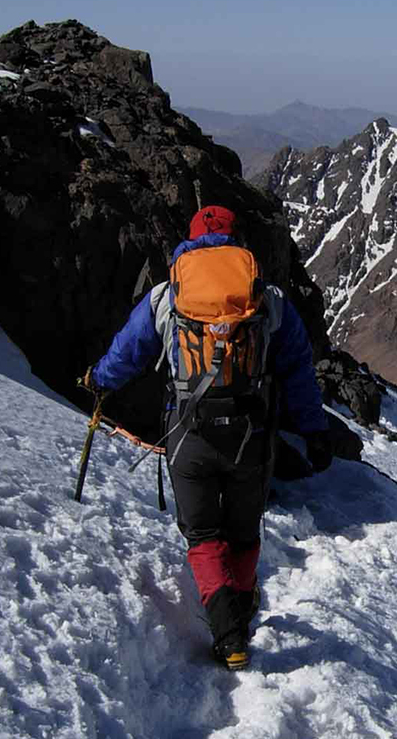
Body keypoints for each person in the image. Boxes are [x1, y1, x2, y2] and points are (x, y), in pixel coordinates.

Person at [82, 205, 332, 670]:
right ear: (237, 242)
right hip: (250, 435)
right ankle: (239, 605)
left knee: (202, 533)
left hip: (188, 431)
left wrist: (98, 380)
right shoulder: (268, 299)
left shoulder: (169, 294)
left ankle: (229, 634)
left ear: (192, 241)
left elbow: (128, 352)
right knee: (241, 531)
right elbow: (298, 371)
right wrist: (314, 432)